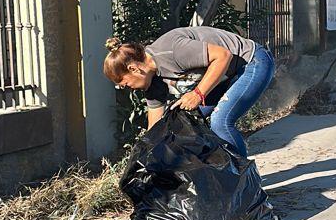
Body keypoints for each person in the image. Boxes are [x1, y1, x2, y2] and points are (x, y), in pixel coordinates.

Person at [103, 25, 275, 158]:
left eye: (123, 83)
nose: (125, 87)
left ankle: (243, 184)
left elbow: (223, 56)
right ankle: (219, 177)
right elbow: (154, 128)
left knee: (220, 121)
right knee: (189, 121)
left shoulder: (171, 51)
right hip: (226, 76)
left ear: (133, 68)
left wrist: (198, 94)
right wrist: (146, 156)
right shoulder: (152, 82)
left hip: (252, 62)